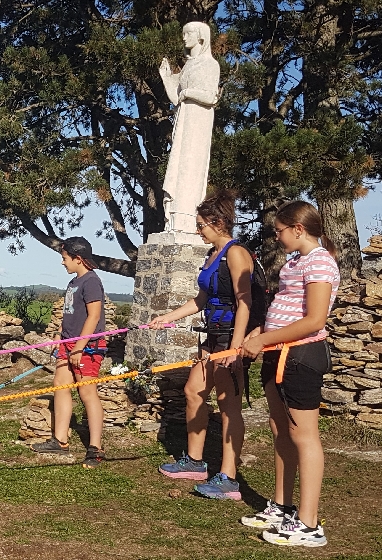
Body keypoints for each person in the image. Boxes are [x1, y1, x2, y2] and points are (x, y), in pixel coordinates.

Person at [239, 200, 340, 548]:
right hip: (276, 352)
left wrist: (265, 337)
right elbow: (286, 305)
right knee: (280, 428)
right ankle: (282, 507)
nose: (277, 237)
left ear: (298, 228)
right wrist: (258, 334)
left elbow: (314, 320)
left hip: (300, 356)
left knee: (304, 435)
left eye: (280, 230)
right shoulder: (296, 260)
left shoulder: (321, 261)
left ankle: (310, 524)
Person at [148, 191, 252, 500]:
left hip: (231, 337)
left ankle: (229, 478)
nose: (198, 231)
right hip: (213, 336)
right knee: (193, 391)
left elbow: (244, 303)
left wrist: (235, 349)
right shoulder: (212, 256)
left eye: (202, 225)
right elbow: (202, 299)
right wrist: (167, 316)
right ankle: (195, 462)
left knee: (228, 405)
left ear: (219, 223)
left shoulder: (236, 254)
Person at [31, 236, 108, 468]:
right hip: (68, 344)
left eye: (65, 258)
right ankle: (60, 440)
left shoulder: (92, 281)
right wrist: (60, 335)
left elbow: (94, 316)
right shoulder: (74, 282)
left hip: (86, 347)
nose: (62, 263)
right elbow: (71, 314)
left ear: (78, 258)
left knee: (87, 393)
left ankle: (95, 448)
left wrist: (79, 346)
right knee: (60, 386)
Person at [158, 21, 220, 234]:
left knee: (190, 168)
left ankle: (186, 220)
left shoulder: (210, 64)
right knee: (178, 167)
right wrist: (166, 78)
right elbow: (176, 98)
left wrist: (187, 93)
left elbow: (211, 96)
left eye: (188, 33)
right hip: (184, 121)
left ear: (201, 36)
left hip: (198, 123)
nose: (184, 38)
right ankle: (174, 218)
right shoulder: (189, 66)